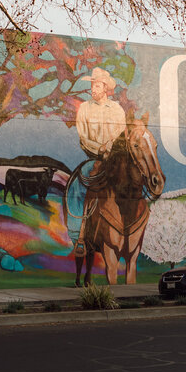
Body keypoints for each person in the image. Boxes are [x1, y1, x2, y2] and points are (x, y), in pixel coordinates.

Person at [72, 67, 126, 257]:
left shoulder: (117, 110)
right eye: (92, 86)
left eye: (96, 86)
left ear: (105, 88)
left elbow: (122, 134)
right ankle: (79, 234)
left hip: (115, 158)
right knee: (80, 186)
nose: (92, 89)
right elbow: (83, 136)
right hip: (94, 157)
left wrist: (111, 148)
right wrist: (100, 150)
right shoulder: (84, 108)